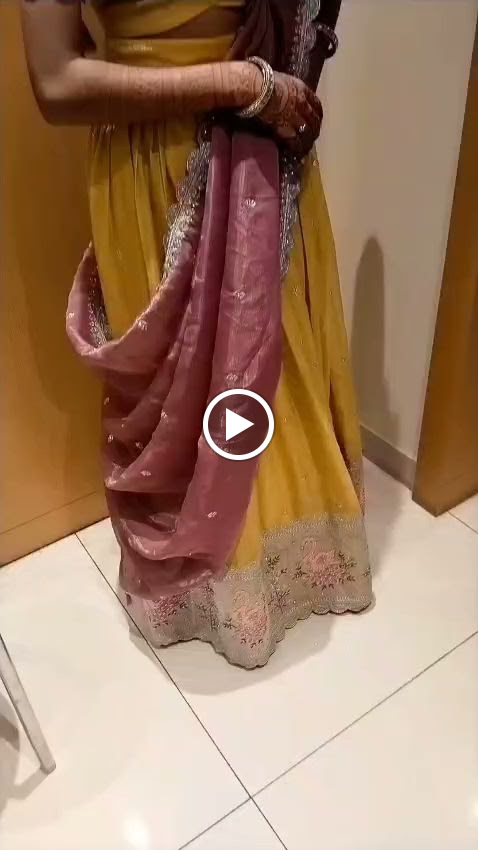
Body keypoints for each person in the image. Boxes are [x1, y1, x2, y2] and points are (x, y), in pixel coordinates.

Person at [22, 0, 372, 669]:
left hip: (269, 151)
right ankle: (213, 589)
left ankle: (287, 561)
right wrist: (237, 84)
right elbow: (56, 81)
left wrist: (269, 86)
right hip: (157, 164)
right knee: (191, 389)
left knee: (275, 371)